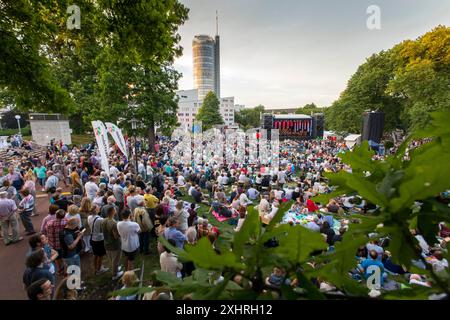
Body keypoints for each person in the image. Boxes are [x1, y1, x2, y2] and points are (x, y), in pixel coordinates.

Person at [101, 206, 124, 280]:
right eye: (115, 209)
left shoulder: (103, 220)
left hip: (106, 242)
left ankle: (116, 268)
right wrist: (121, 235)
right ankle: (115, 274)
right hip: (114, 244)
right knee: (115, 259)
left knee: (111, 258)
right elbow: (116, 236)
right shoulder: (113, 223)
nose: (116, 210)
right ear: (112, 212)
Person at [45, 209, 67, 275]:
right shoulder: (65, 222)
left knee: (57, 258)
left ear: (56, 215)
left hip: (53, 243)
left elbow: (46, 229)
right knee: (64, 257)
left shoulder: (49, 223)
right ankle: (65, 271)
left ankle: (60, 270)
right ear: (64, 216)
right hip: (62, 244)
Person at [87, 205, 108, 276]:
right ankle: (99, 270)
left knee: (95, 254)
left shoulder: (89, 217)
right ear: (95, 210)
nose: (99, 208)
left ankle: (96, 268)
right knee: (100, 255)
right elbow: (102, 230)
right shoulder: (100, 219)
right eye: (98, 208)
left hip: (92, 237)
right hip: (99, 239)